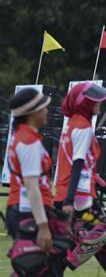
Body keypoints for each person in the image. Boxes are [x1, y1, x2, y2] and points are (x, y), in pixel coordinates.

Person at [54, 82, 106, 276]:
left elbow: (87, 169)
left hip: (66, 200)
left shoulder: (72, 125)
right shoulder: (83, 128)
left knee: (58, 259)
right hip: (81, 203)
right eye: (94, 100)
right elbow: (78, 166)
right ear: (84, 103)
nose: (99, 103)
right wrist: (71, 202)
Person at [5, 88, 63, 275]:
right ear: (32, 113)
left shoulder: (22, 138)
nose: (47, 111)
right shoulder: (28, 142)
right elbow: (32, 188)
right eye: (43, 107)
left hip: (24, 210)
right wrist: (43, 226)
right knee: (39, 268)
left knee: (34, 267)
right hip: (28, 211)